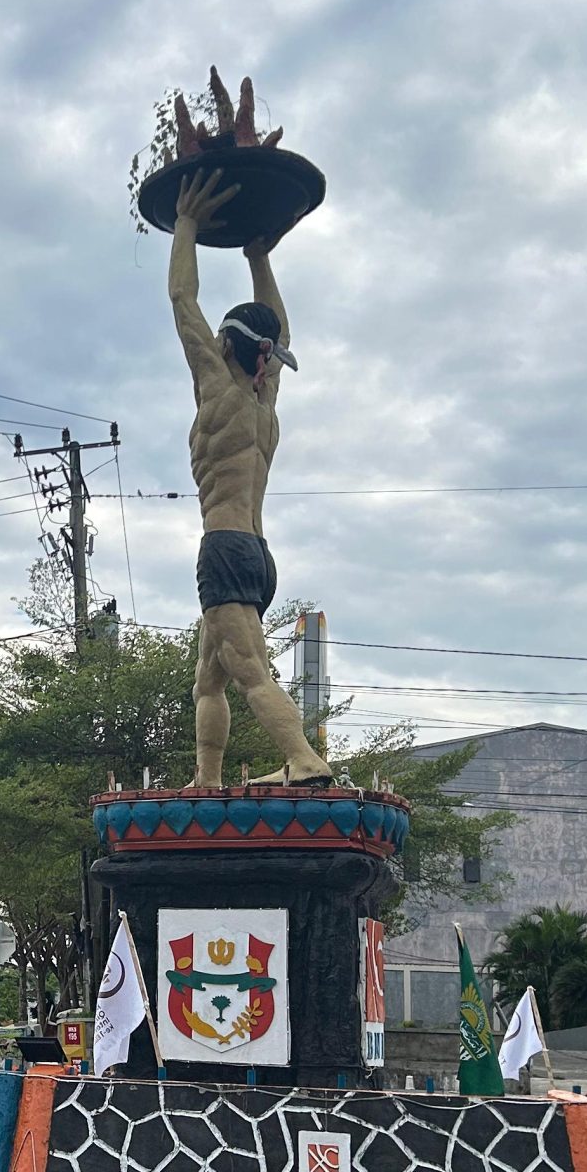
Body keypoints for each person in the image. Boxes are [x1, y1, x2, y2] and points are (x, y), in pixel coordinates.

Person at [168, 137, 331, 790]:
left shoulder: (219, 383)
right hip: (258, 555)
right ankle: (206, 779)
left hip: (226, 545)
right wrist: (259, 256)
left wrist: (184, 225)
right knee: (209, 673)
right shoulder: (265, 399)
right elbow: (281, 331)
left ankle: (303, 758)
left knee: (248, 669)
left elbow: (183, 302)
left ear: (228, 346)